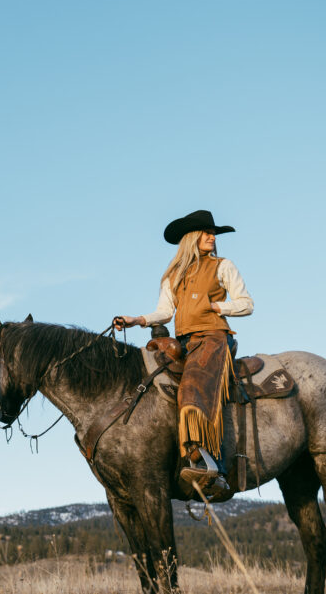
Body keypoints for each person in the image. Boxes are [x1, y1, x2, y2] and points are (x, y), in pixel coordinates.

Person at [114, 210, 253, 497]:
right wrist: (135, 320)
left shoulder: (223, 266)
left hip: (214, 337)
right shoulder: (173, 275)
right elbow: (165, 312)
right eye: (206, 232)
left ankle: (209, 463)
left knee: (192, 389)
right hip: (184, 341)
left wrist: (216, 307)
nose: (212, 237)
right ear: (192, 238)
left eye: (213, 233)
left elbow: (246, 304)